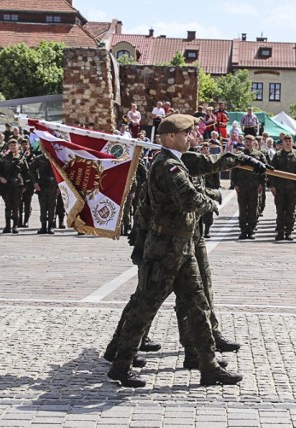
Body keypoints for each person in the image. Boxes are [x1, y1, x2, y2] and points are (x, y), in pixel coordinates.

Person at [107, 114, 243, 388]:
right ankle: (120, 365)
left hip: (182, 248)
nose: (192, 137)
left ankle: (209, 366)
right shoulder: (166, 165)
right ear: (171, 136)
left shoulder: (175, 163)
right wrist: (211, 201)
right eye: (187, 134)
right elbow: (189, 199)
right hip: (164, 249)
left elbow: (193, 189)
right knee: (146, 307)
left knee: (198, 305)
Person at [269, 134, 296, 241]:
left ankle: (289, 232)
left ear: (293, 143)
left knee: (291, 210)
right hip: (280, 188)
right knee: (280, 211)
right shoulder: (278, 155)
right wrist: (273, 185)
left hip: (292, 188)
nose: (288, 143)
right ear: (282, 142)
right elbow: (272, 171)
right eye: (286, 141)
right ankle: (280, 232)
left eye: (290, 141)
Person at [231, 134, 267, 239]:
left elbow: (264, 171)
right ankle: (243, 230)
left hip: (254, 186)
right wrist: (235, 184)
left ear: (254, 142)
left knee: (253, 209)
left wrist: (262, 184)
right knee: (242, 209)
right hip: (242, 186)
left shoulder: (259, 155)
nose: (248, 143)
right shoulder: (239, 155)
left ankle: (250, 230)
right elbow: (234, 170)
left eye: (250, 141)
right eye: (246, 141)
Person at [0, 139, 29, 234]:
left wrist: (25, 185)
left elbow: (26, 173)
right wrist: (0, 178)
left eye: (14, 145)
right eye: (11, 145)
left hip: (17, 185)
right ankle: (7, 226)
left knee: (16, 206)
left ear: (18, 146)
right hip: (6, 185)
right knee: (8, 205)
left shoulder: (21, 159)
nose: (13, 147)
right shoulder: (4, 158)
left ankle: (15, 225)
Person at [30, 153, 58, 234]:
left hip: (53, 185)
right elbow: (32, 169)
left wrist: (59, 186)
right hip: (42, 185)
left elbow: (62, 172)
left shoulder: (56, 157)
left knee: (52, 207)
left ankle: (50, 226)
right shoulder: (39, 158)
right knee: (43, 207)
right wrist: (35, 182)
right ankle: (43, 226)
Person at [18, 138, 36, 228]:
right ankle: (19, 220)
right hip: (19, 183)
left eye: (26, 144)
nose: (24, 145)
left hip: (29, 183)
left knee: (27, 202)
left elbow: (34, 171)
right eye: (23, 144)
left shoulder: (32, 156)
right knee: (19, 203)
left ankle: (26, 220)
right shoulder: (18, 156)